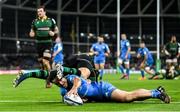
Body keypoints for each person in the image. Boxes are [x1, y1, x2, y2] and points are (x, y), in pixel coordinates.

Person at [13, 70, 171, 104]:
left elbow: (78, 81)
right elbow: (74, 99)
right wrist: (80, 100)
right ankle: (156, 91)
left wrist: (74, 90)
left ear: (61, 77)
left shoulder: (70, 78)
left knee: (127, 97)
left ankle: (156, 93)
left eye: (59, 80)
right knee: (128, 98)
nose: (60, 83)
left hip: (103, 89)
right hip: (99, 98)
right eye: (57, 83)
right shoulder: (62, 90)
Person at [13, 54, 99, 88]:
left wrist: (49, 80)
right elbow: (94, 81)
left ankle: (27, 73)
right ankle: (62, 70)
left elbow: (54, 74)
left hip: (71, 61)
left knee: (58, 79)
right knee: (83, 76)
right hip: (84, 59)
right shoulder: (93, 84)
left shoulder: (65, 88)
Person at [29, 6, 59, 70]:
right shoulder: (34, 21)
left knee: (45, 61)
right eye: (38, 12)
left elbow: (57, 30)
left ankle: (50, 75)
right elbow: (31, 32)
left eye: (41, 11)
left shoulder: (51, 20)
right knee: (41, 63)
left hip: (47, 43)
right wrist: (31, 33)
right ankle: (48, 74)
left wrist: (53, 33)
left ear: (45, 12)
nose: (39, 13)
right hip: (38, 44)